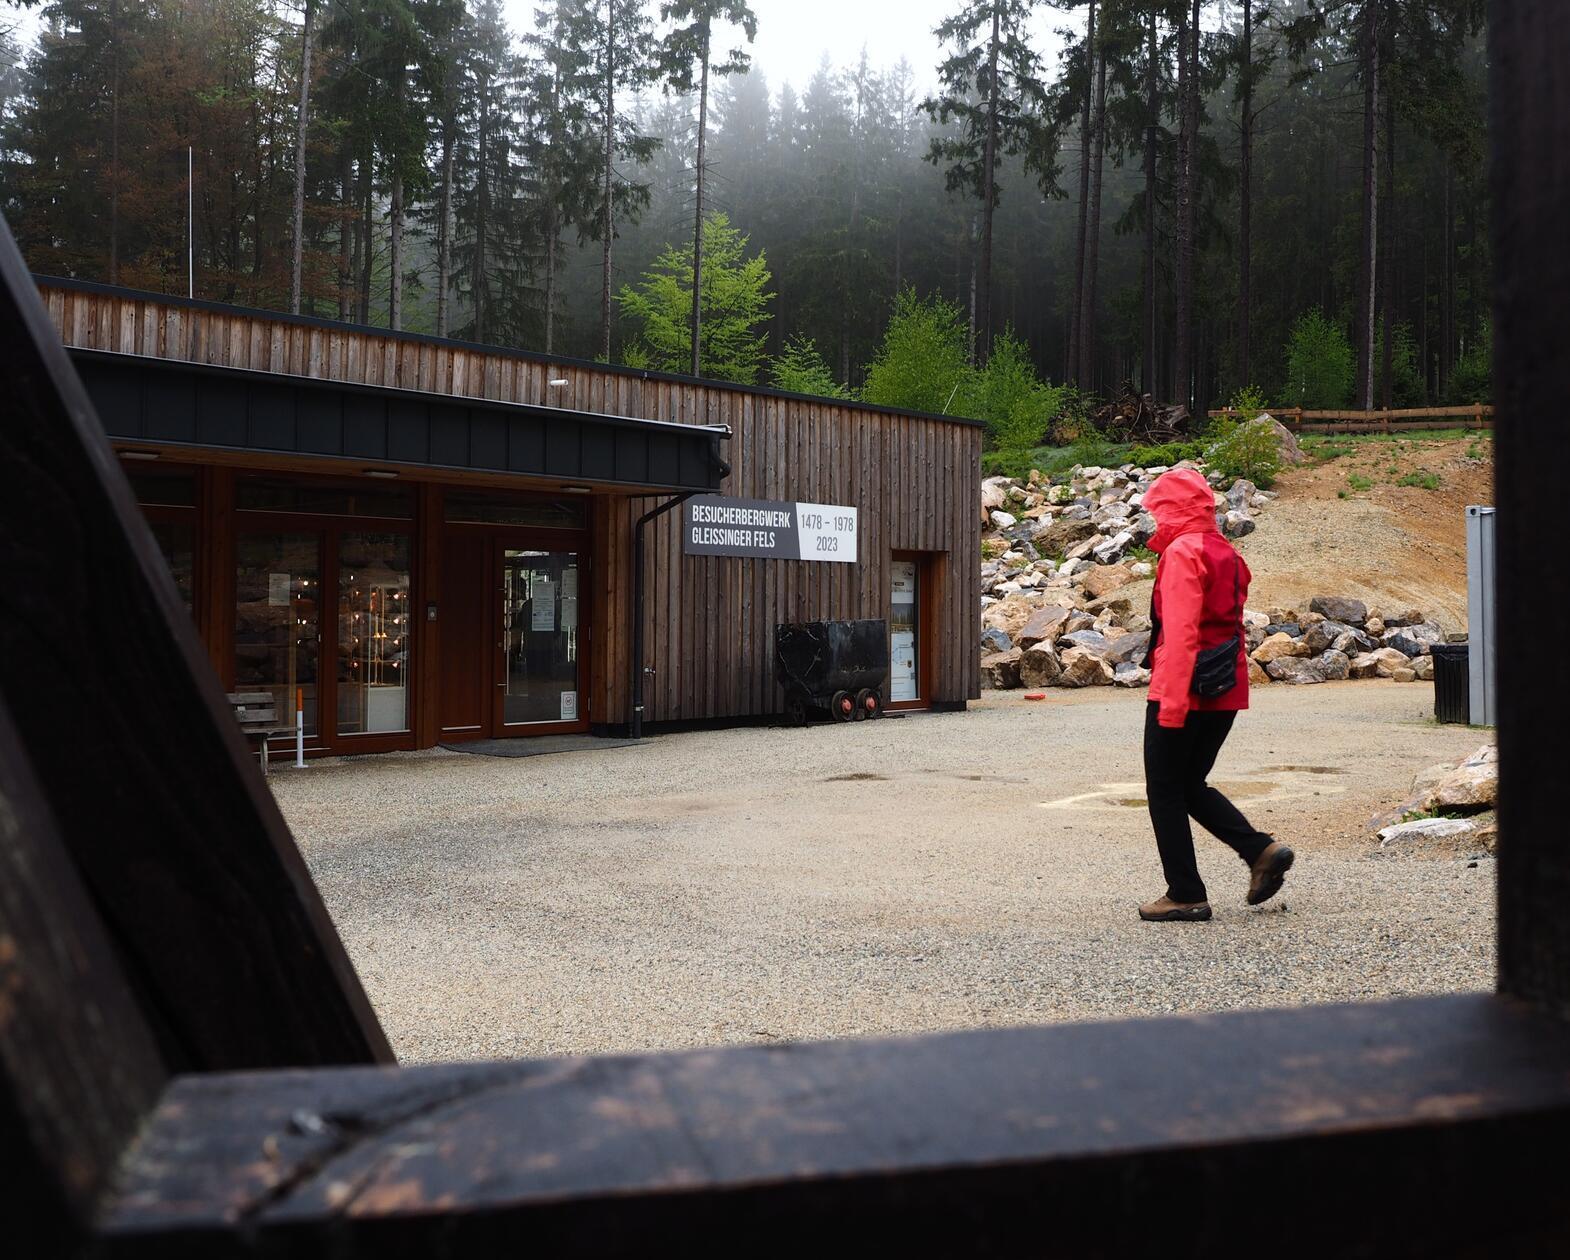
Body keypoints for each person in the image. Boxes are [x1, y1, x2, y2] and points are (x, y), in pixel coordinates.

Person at [1136, 467, 1294, 922]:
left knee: (1164, 789)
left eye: (1157, 510)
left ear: (1172, 510)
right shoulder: (1227, 552)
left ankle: (1185, 893)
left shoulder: (1183, 553)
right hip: (1225, 689)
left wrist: (1171, 703)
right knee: (1189, 784)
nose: (1153, 518)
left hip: (1183, 689)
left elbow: (1183, 633)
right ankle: (1261, 850)